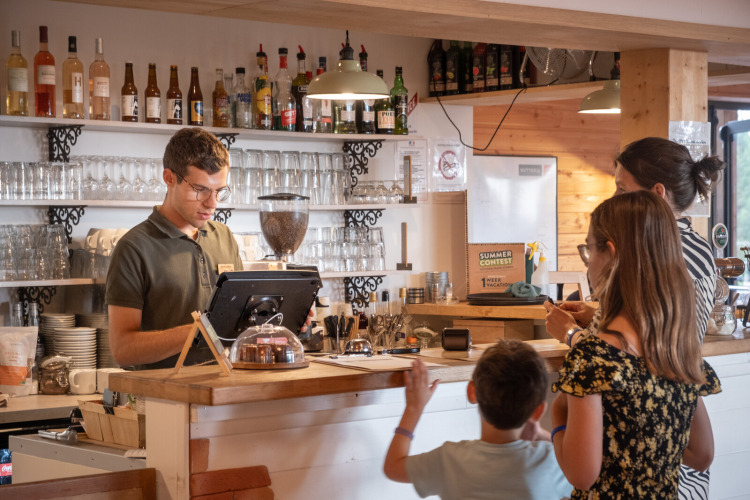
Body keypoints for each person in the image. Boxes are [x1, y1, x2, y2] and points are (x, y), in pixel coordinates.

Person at [544, 137, 724, 499]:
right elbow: (702, 454)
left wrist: (556, 419)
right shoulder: (680, 355)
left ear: (611, 254)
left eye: (587, 251)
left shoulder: (592, 360)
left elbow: (582, 474)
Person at [105, 127, 243, 370]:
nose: (212, 204)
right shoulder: (134, 248)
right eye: (200, 190)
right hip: (164, 400)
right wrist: (197, 332)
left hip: (226, 393)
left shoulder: (225, 237)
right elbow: (123, 350)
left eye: (219, 191)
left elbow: (240, 321)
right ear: (169, 178)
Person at [383, 340, 572, 500]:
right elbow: (587, 468)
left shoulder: (449, 460)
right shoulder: (551, 461)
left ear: (472, 392)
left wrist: (413, 408)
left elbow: (393, 467)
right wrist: (541, 433)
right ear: (538, 411)